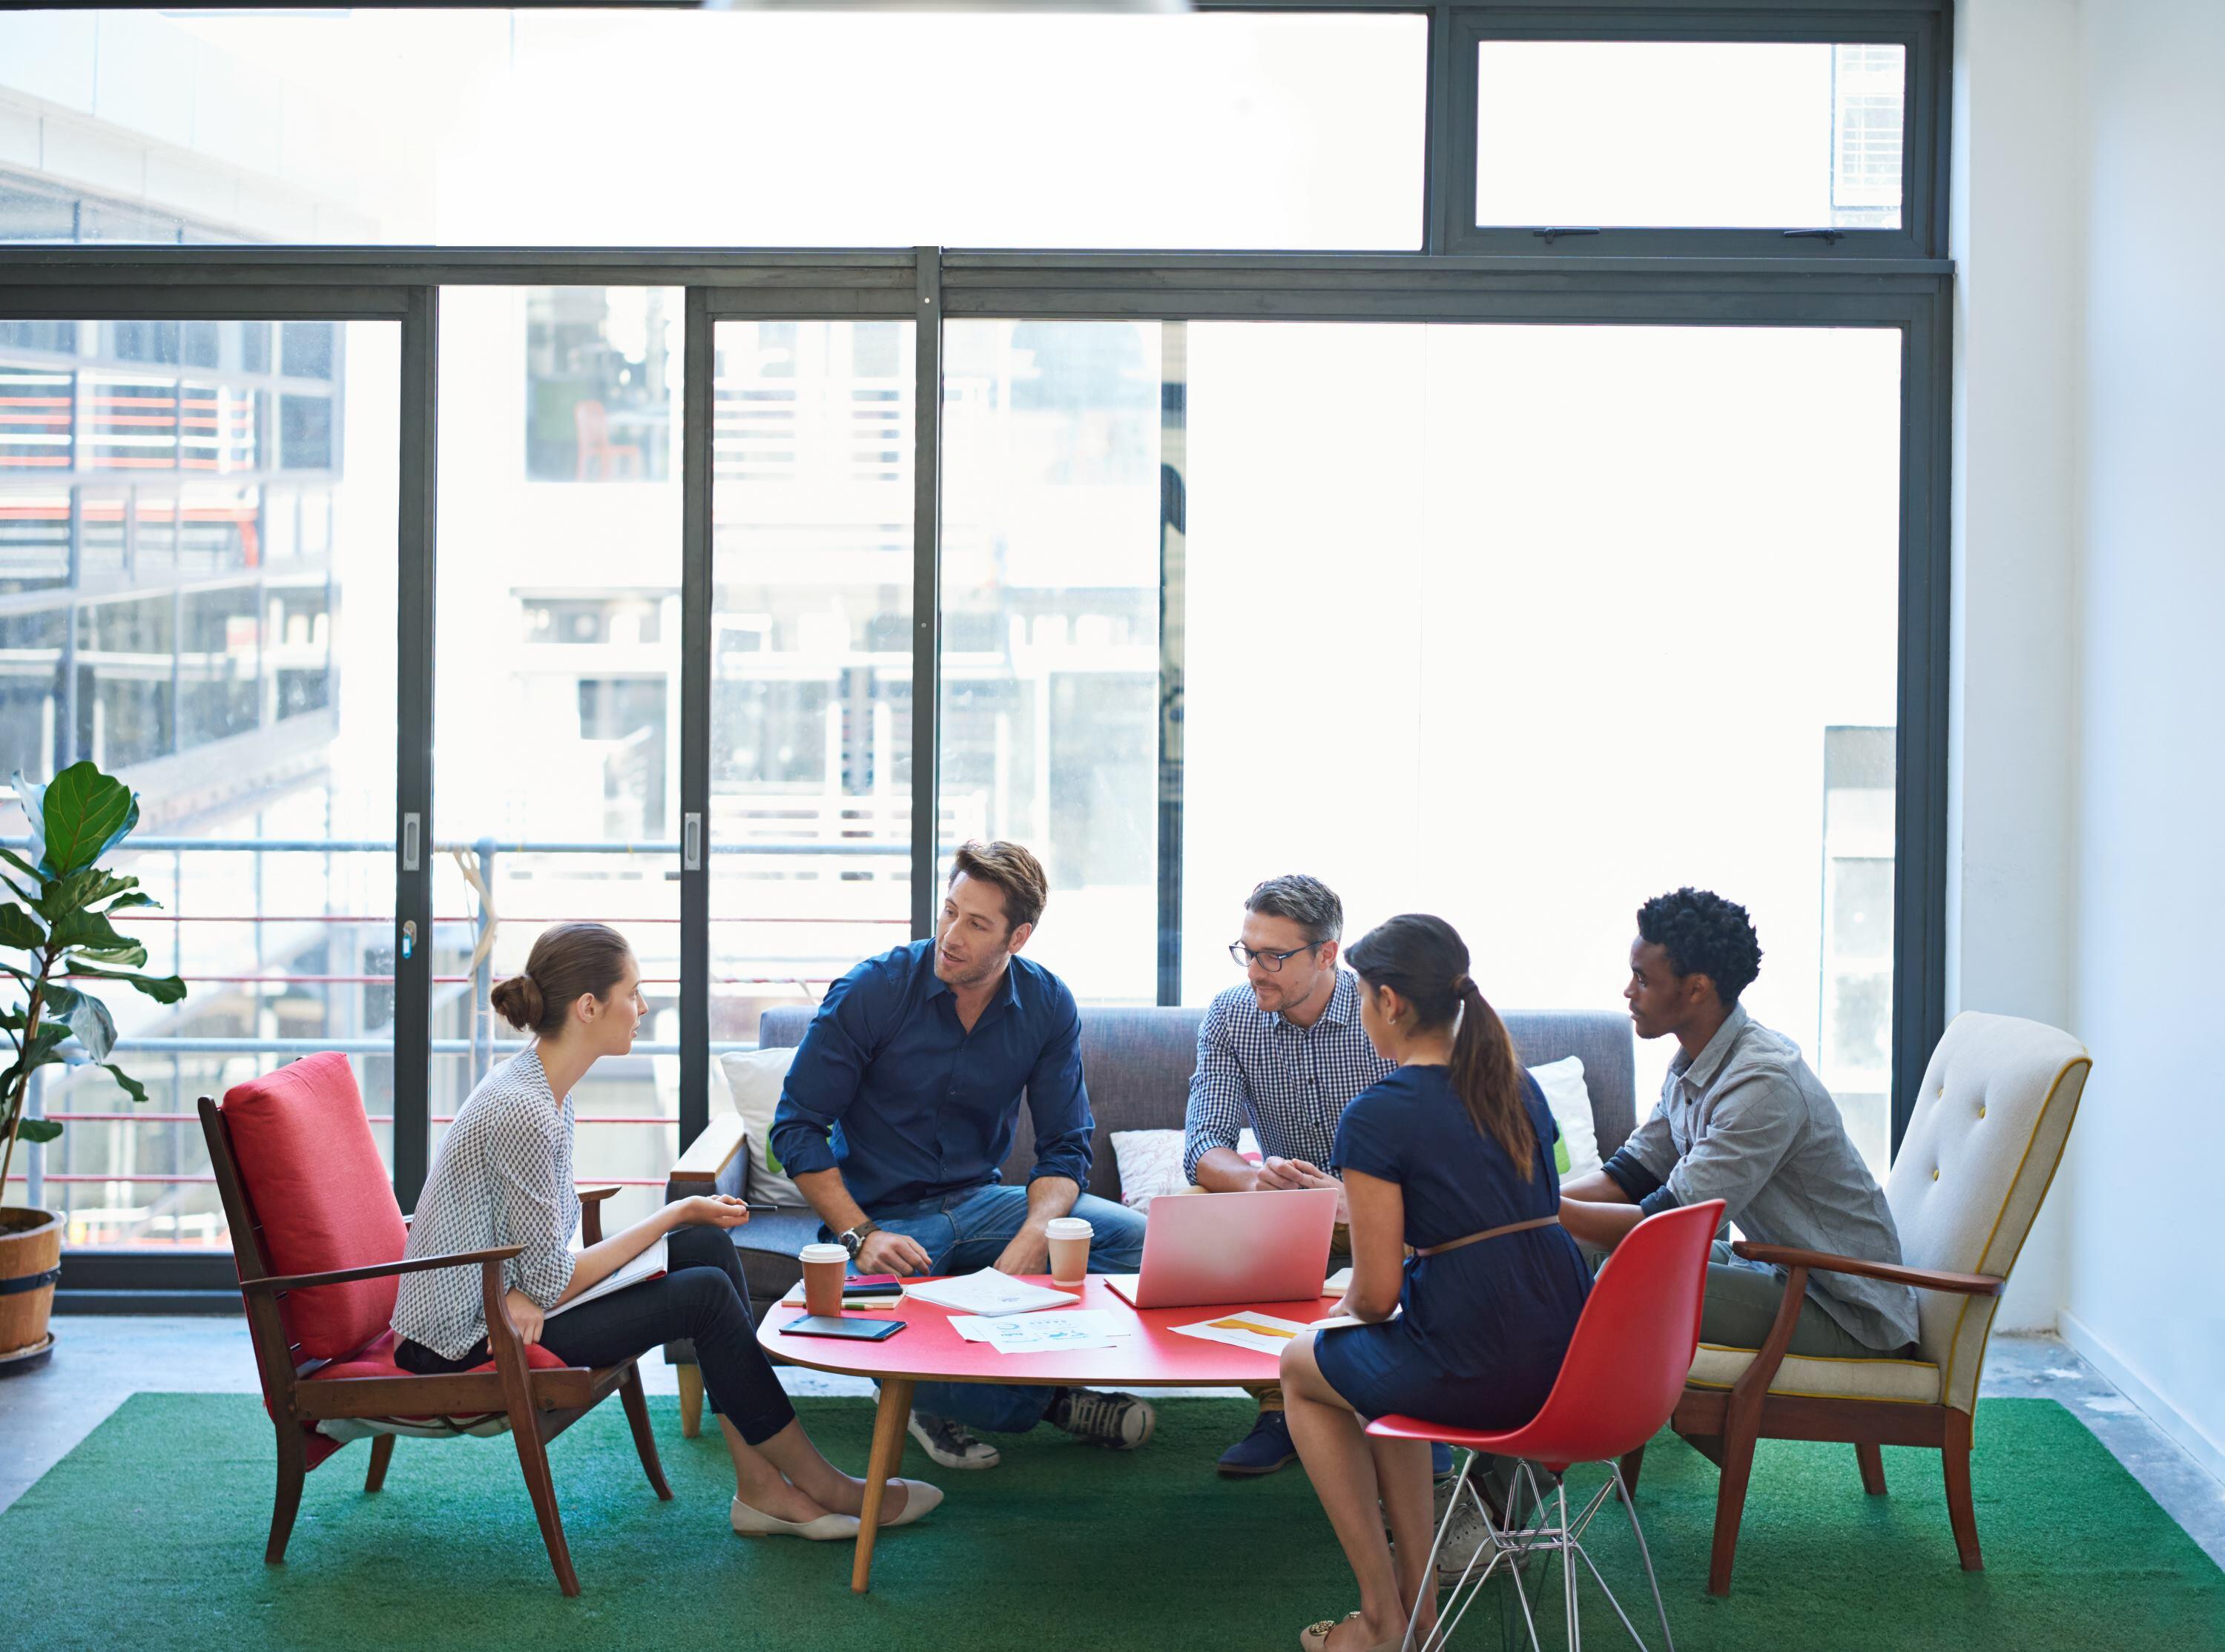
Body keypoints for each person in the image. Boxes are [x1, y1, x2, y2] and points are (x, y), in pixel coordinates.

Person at [392, 922, 941, 1542]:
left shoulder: (544, 1089)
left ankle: (761, 1490)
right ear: (588, 1007)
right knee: (702, 1290)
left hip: (504, 1298)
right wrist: (672, 1214)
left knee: (707, 1245)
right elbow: (549, 1277)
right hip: (466, 1338)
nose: (643, 1007)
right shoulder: (525, 1108)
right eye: (633, 991)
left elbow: (538, 1255)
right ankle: (825, 1486)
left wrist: (540, 1282)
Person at [770, 839, 1154, 1473]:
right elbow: (797, 1129)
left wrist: (1036, 1235)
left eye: (976, 924)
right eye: (949, 911)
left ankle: (941, 1389)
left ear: (1018, 937)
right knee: (868, 1315)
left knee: (1141, 1244)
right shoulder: (872, 990)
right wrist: (860, 1233)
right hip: (881, 1216)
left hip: (982, 1203)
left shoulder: (1048, 1005)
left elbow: (1065, 1148)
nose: (951, 934)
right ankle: (1048, 1404)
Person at [1279, 915, 1592, 1652]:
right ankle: (1419, 1611)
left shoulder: (1377, 1115)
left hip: (1482, 1361)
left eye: (1359, 996)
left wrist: (1335, 1316)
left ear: (1389, 1001)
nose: (1358, 1012)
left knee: (1300, 1364)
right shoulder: (1515, 1084)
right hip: (1573, 1359)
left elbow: (1378, 1292)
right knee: (1385, 1374)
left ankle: (1384, 1615)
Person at [1558, 886, 1919, 1361]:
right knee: (1571, 1252)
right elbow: (1629, 1176)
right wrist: (1523, 1208)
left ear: (1696, 989)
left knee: (1627, 1277)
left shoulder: (1762, 1085)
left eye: (1642, 979)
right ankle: (1508, 1411)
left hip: (1846, 1309)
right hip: (1781, 1270)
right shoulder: (1695, 1062)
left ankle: (1586, 1432)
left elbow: (1662, 1225)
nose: (1628, 991)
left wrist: (1535, 1210)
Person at [1185, 873, 1406, 1478]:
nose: (1256, 969)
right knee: (1205, 1202)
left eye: (1274, 957)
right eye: (1247, 951)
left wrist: (1357, 1200)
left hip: (1390, 1211)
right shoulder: (1232, 1016)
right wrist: (1260, 1185)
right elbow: (1205, 1144)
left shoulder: (1383, 1012)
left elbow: (1435, 1146)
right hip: (1287, 1214)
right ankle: (1278, 1407)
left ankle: (1407, 1407)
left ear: (1327, 954)